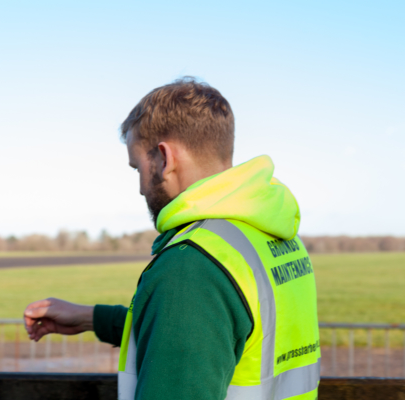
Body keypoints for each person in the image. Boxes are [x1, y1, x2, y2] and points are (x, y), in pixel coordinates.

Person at [24, 77, 321, 400]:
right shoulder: (271, 236)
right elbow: (216, 337)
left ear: (164, 159)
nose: (140, 187)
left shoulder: (191, 266)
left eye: (137, 167)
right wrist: (91, 318)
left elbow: (193, 322)